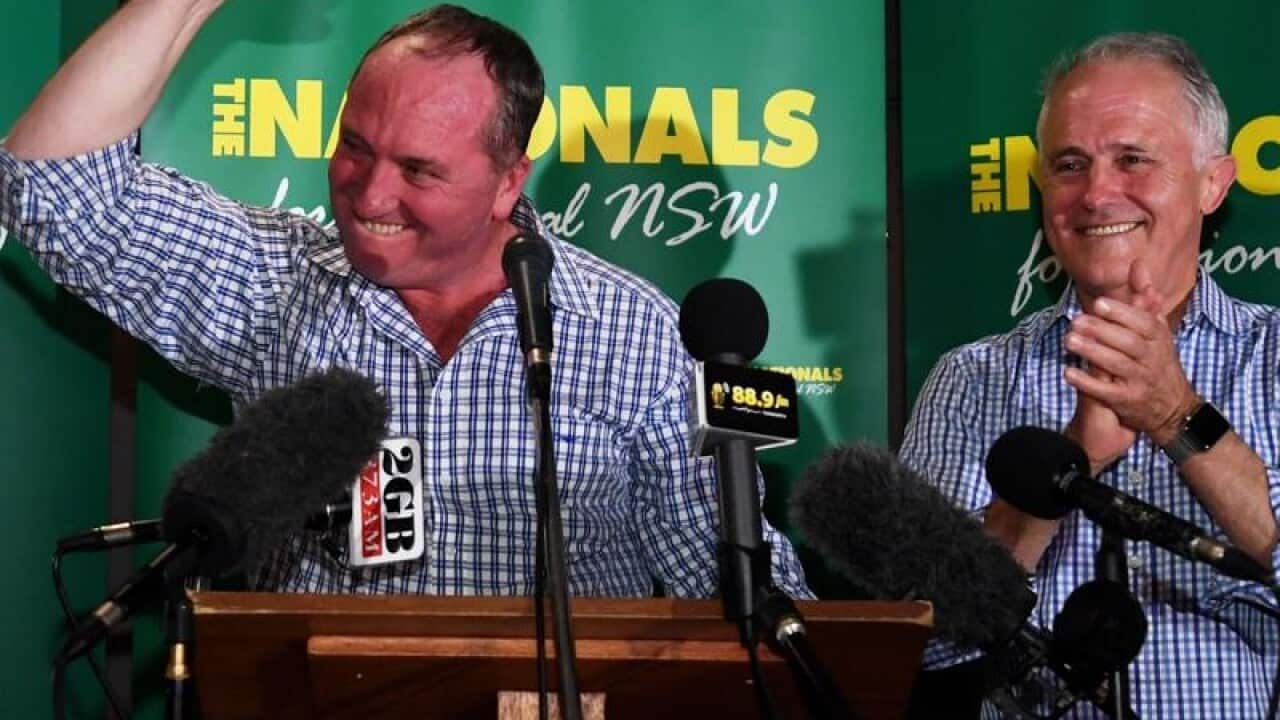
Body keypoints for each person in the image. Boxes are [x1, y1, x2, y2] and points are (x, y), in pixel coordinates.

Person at [0, 1, 810, 599]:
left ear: (506, 184)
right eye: (355, 146)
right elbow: (53, 187)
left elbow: (724, 576)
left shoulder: (636, 333)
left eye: (419, 170)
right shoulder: (281, 280)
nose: (370, 192)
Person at [901, 32, 1279, 718]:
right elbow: (925, 636)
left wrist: (1175, 415)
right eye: (1070, 165)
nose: (1098, 193)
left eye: (1133, 159)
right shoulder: (971, 378)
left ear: (1213, 182)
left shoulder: (1274, 356)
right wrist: (1069, 464)